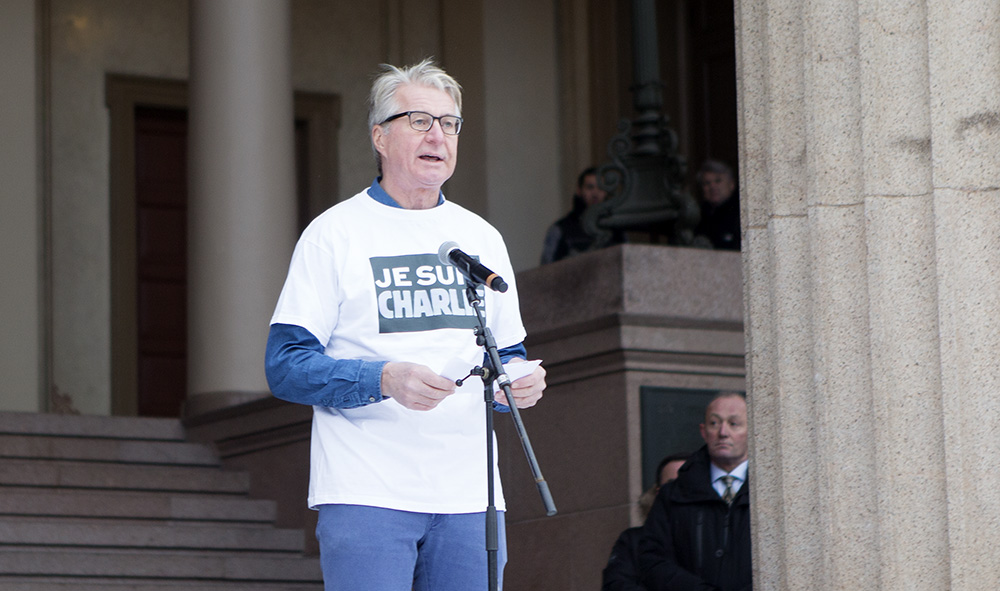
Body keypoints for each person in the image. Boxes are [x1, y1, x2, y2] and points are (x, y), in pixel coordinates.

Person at [265, 58, 547, 591]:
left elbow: (506, 354)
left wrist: (516, 382)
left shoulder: (481, 238)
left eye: (449, 123)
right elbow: (284, 367)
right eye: (419, 120)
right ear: (379, 136)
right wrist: (382, 380)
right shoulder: (334, 234)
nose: (437, 134)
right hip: (366, 491)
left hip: (470, 496)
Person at [639, 392, 751, 591]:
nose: (723, 432)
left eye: (734, 424)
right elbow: (652, 560)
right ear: (703, 431)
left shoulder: (771, 493)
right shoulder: (674, 494)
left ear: (753, 429)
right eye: (714, 423)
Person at [601, 453, 691, 591]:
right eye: (673, 484)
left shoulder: (721, 538)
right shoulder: (634, 541)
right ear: (658, 492)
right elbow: (616, 584)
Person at [539, 166, 609, 264]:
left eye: (601, 188)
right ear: (579, 190)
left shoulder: (616, 229)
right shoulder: (561, 229)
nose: (595, 193)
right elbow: (545, 270)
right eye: (590, 187)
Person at [694, 159, 741, 251]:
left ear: (731, 184)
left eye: (718, 181)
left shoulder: (740, 213)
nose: (712, 186)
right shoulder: (698, 216)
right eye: (707, 183)